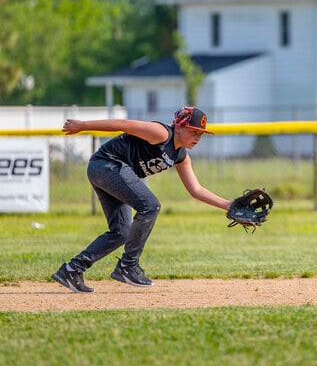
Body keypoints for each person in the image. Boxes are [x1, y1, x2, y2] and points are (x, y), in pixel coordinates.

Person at [52, 107, 232, 293]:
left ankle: (72, 270)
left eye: (201, 134)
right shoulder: (162, 133)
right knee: (150, 205)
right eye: (193, 131)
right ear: (178, 127)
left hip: (109, 170)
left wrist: (228, 205)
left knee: (122, 232)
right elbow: (123, 124)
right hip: (107, 164)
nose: (197, 137)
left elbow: (196, 189)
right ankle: (128, 266)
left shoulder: (180, 156)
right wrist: (83, 126)